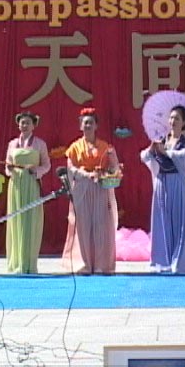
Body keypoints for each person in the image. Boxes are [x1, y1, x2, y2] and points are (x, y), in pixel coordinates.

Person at [140, 105, 185, 273]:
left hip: (177, 184)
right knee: (162, 221)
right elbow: (145, 156)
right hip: (162, 182)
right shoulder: (162, 139)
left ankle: (180, 261)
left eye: (177, 118)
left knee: (179, 222)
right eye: (171, 117)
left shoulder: (184, 143)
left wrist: (167, 153)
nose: (173, 121)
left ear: (184, 122)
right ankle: (162, 259)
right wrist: (152, 150)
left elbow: (184, 157)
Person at [62, 107, 121, 274]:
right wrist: (85, 174)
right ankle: (84, 264)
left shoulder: (105, 147)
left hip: (100, 188)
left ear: (96, 126)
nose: (87, 126)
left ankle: (102, 264)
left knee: (101, 226)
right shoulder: (74, 147)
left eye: (90, 123)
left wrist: (108, 170)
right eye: (85, 123)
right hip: (82, 188)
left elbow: (114, 167)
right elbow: (70, 169)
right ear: (80, 125)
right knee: (83, 226)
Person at [5, 111, 51, 274]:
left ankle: (29, 263)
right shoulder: (12, 144)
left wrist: (36, 170)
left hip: (31, 184)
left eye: (27, 123)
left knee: (31, 221)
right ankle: (16, 262)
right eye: (22, 122)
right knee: (16, 220)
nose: (24, 125)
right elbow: (7, 164)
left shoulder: (40, 144)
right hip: (16, 185)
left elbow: (46, 165)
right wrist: (10, 169)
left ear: (33, 125)